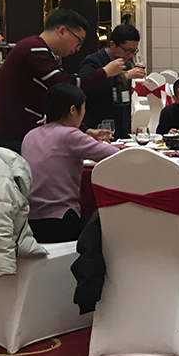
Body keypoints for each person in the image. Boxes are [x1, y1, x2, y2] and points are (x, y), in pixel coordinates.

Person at [0, 7, 126, 152]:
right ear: (62, 31)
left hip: (18, 135)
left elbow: (56, 99)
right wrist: (105, 72)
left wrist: (86, 130)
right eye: (78, 41)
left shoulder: (39, 50)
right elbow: (65, 84)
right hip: (8, 139)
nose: (78, 48)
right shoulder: (34, 49)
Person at [21, 83, 119, 243]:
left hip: (29, 222)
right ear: (73, 110)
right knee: (107, 222)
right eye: (84, 109)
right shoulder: (70, 135)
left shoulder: (30, 135)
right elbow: (115, 156)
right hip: (61, 221)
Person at [80, 23, 147, 135]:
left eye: (134, 51)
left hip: (121, 126)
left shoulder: (126, 65)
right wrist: (124, 76)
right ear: (112, 44)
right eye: (127, 50)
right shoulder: (93, 61)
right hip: (98, 124)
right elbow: (88, 88)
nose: (130, 55)